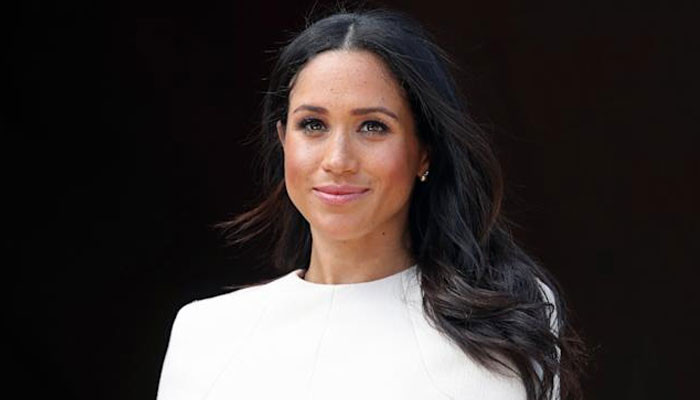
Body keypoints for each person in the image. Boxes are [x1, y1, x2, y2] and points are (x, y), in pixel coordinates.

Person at [156, 7, 585, 400]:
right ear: (283, 139)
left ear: (424, 150)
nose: (338, 159)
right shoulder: (206, 335)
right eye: (313, 125)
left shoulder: (503, 330)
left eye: (373, 127)